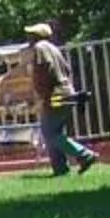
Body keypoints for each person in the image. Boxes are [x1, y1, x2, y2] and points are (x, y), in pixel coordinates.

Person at [25, 20, 98, 176]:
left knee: (50, 133)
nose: (28, 38)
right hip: (66, 93)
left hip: (55, 95)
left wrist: (45, 94)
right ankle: (60, 170)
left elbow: (45, 69)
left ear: (38, 36)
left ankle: (85, 155)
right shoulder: (54, 49)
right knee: (53, 132)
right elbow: (67, 69)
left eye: (31, 35)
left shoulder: (41, 48)